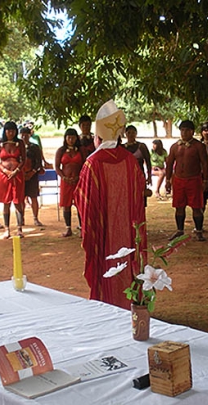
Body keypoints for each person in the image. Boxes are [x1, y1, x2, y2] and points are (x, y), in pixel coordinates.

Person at [74, 100, 146, 309]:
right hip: (128, 232)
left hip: (104, 234)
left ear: (98, 137)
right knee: (128, 263)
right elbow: (139, 190)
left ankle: (106, 305)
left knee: (105, 266)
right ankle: (131, 304)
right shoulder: (130, 161)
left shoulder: (93, 163)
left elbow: (83, 198)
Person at [165, 120, 208, 241]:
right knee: (179, 207)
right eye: (182, 130)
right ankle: (180, 230)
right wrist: (168, 180)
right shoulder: (175, 147)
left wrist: (205, 180)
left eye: (186, 130)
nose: (183, 133)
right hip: (178, 180)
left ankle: (199, 231)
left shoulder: (199, 146)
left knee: (196, 207)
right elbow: (169, 164)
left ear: (192, 132)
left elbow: (205, 164)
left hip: (194, 180)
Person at [0, 121, 27, 238]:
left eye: (12, 130)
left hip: (17, 175)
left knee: (18, 202)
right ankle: (7, 229)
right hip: (4, 176)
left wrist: (16, 170)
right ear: (5, 131)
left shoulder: (20, 143)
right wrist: (5, 170)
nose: (10, 133)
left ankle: (19, 228)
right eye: (8, 130)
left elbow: (23, 159)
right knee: (6, 202)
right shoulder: (0, 143)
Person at [55, 128, 84, 237]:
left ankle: (82, 228)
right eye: (69, 137)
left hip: (79, 181)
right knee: (66, 205)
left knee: (80, 204)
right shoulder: (61, 151)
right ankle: (68, 228)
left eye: (73, 137)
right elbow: (57, 167)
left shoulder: (81, 150)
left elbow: (85, 165)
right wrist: (63, 177)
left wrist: (79, 177)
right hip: (66, 181)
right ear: (65, 138)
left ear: (76, 138)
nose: (71, 140)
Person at [20, 126, 45, 227]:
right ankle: (21, 219)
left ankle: (36, 218)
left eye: (26, 135)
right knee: (21, 199)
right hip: (21, 176)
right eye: (22, 135)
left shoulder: (35, 147)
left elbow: (38, 162)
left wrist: (31, 173)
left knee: (34, 197)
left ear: (30, 135)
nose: (24, 137)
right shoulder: (18, 147)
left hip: (32, 176)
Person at [123, 125, 152, 206]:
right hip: (127, 177)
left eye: (133, 133)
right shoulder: (122, 147)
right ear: (125, 134)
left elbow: (148, 161)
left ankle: (141, 217)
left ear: (136, 134)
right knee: (129, 200)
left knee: (141, 199)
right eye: (129, 133)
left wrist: (149, 176)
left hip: (140, 176)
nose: (131, 135)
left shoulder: (141, 146)